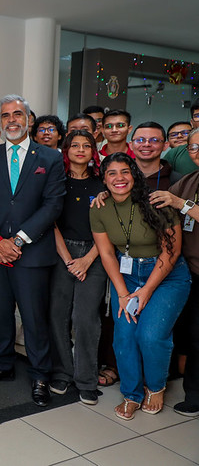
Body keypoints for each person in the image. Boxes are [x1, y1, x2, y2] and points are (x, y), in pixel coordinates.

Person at [0, 94, 66, 408]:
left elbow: (53, 205)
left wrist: (19, 240)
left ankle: (40, 375)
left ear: (29, 120)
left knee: (34, 317)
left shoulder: (49, 158)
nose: (12, 119)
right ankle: (2, 364)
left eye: (18, 114)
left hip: (32, 253)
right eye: (6, 115)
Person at [91, 153, 189, 420]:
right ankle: (131, 394)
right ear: (104, 179)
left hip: (167, 275)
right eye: (112, 173)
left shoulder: (157, 202)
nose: (119, 178)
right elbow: (108, 254)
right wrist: (123, 293)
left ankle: (155, 387)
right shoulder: (99, 208)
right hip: (129, 275)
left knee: (150, 335)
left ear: (134, 175)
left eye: (125, 172)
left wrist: (146, 291)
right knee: (124, 336)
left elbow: (172, 252)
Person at [48, 130, 107, 405]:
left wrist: (87, 259)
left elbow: (109, 228)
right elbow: (52, 223)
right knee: (58, 315)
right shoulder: (56, 182)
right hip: (62, 252)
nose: (80, 150)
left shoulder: (102, 185)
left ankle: (86, 379)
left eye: (86, 145)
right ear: (66, 150)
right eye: (75, 145)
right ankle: (62, 372)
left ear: (93, 151)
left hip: (96, 253)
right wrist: (70, 259)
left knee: (86, 318)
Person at [150, 131, 199, 417]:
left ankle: (194, 393)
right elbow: (154, 200)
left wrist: (182, 204)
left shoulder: (185, 192)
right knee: (190, 334)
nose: (195, 151)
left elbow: (178, 203)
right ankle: (191, 391)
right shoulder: (190, 180)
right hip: (189, 270)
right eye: (192, 146)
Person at [130, 122, 181, 191]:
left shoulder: (177, 180)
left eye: (154, 140)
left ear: (165, 146)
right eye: (140, 140)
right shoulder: (119, 175)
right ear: (131, 145)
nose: (147, 144)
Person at [163, 103, 199, 175]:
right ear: (192, 123)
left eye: (185, 133)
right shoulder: (176, 153)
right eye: (197, 116)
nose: (179, 136)